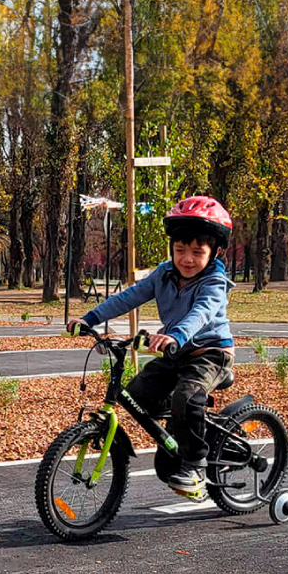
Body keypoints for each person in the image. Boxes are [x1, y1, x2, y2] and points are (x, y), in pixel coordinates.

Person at [68, 196, 235, 499]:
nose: (187, 259)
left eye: (197, 252)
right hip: (176, 351)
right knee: (136, 394)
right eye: (180, 250)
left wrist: (176, 334)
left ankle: (196, 466)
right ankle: (181, 428)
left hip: (210, 353)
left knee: (187, 396)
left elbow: (202, 313)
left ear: (215, 253)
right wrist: (90, 318)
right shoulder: (164, 273)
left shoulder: (214, 281)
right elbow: (128, 297)